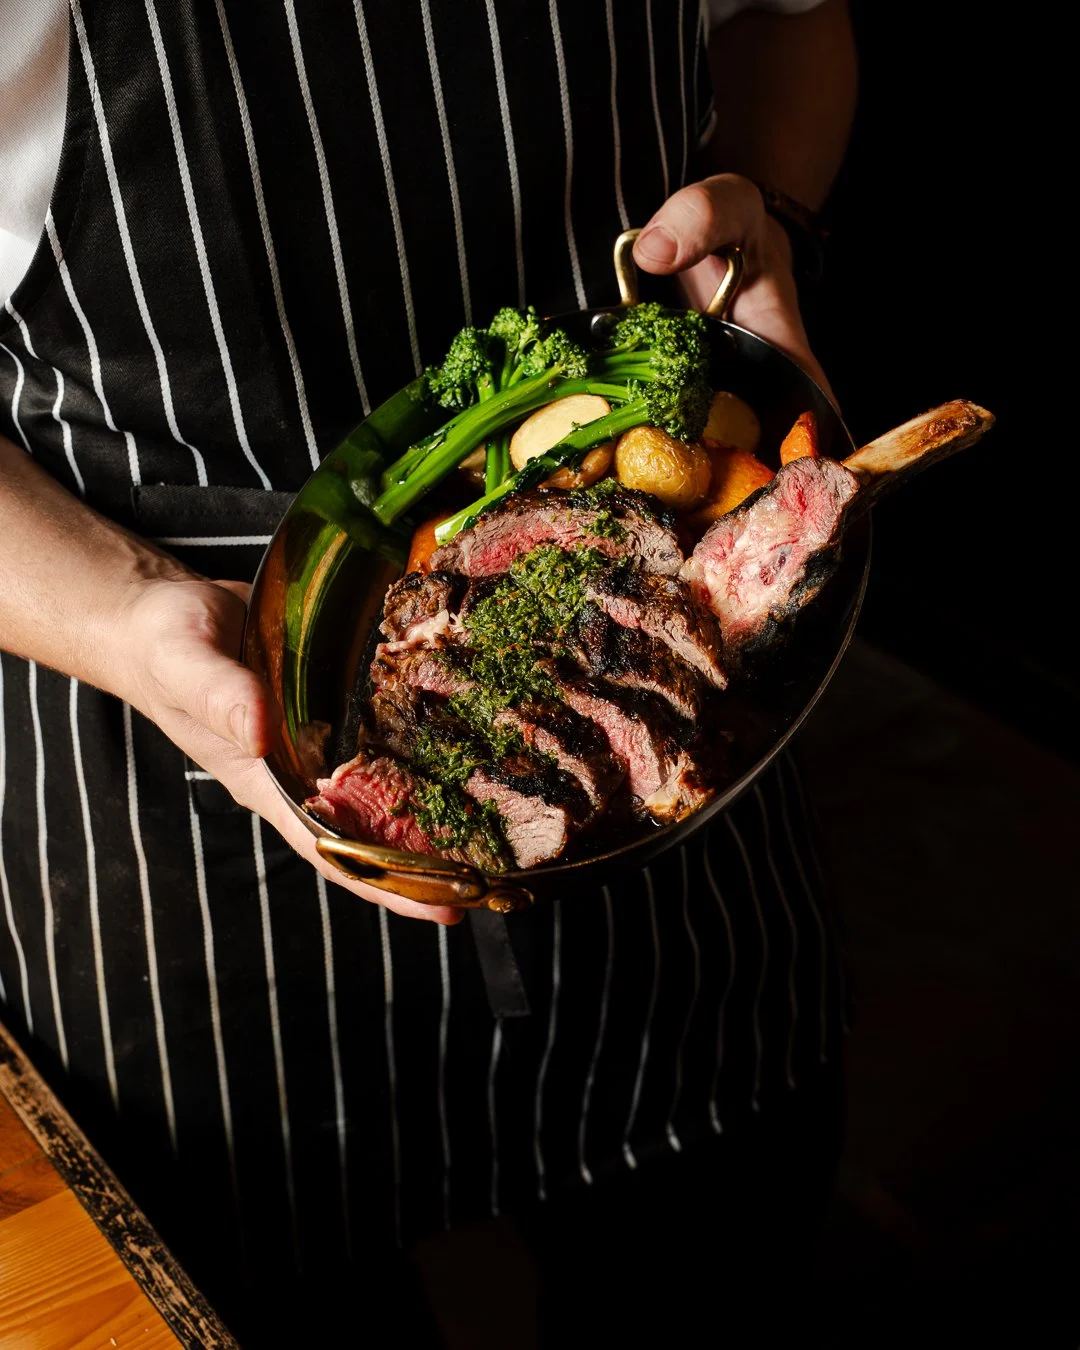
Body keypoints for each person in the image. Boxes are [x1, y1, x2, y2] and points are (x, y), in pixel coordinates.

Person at [0, 0, 857, 1342]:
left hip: (658, 697)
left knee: (724, 1263)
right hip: (190, 775)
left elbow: (791, 24)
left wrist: (768, 232)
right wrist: (126, 618)